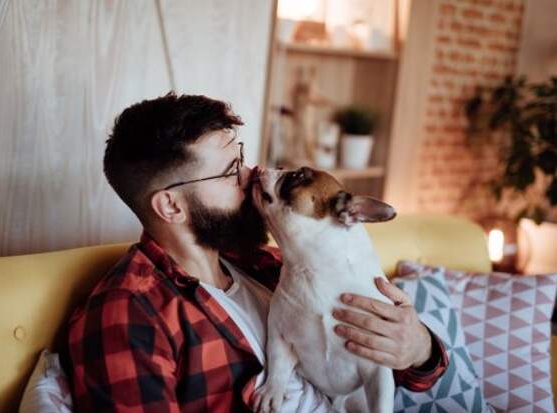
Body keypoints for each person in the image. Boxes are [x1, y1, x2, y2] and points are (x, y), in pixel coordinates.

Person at [66, 92, 448, 412]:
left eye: (242, 158)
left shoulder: (268, 263)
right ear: (171, 207)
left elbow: (380, 371)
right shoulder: (132, 313)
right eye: (230, 170)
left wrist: (419, 348)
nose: (251, 174)